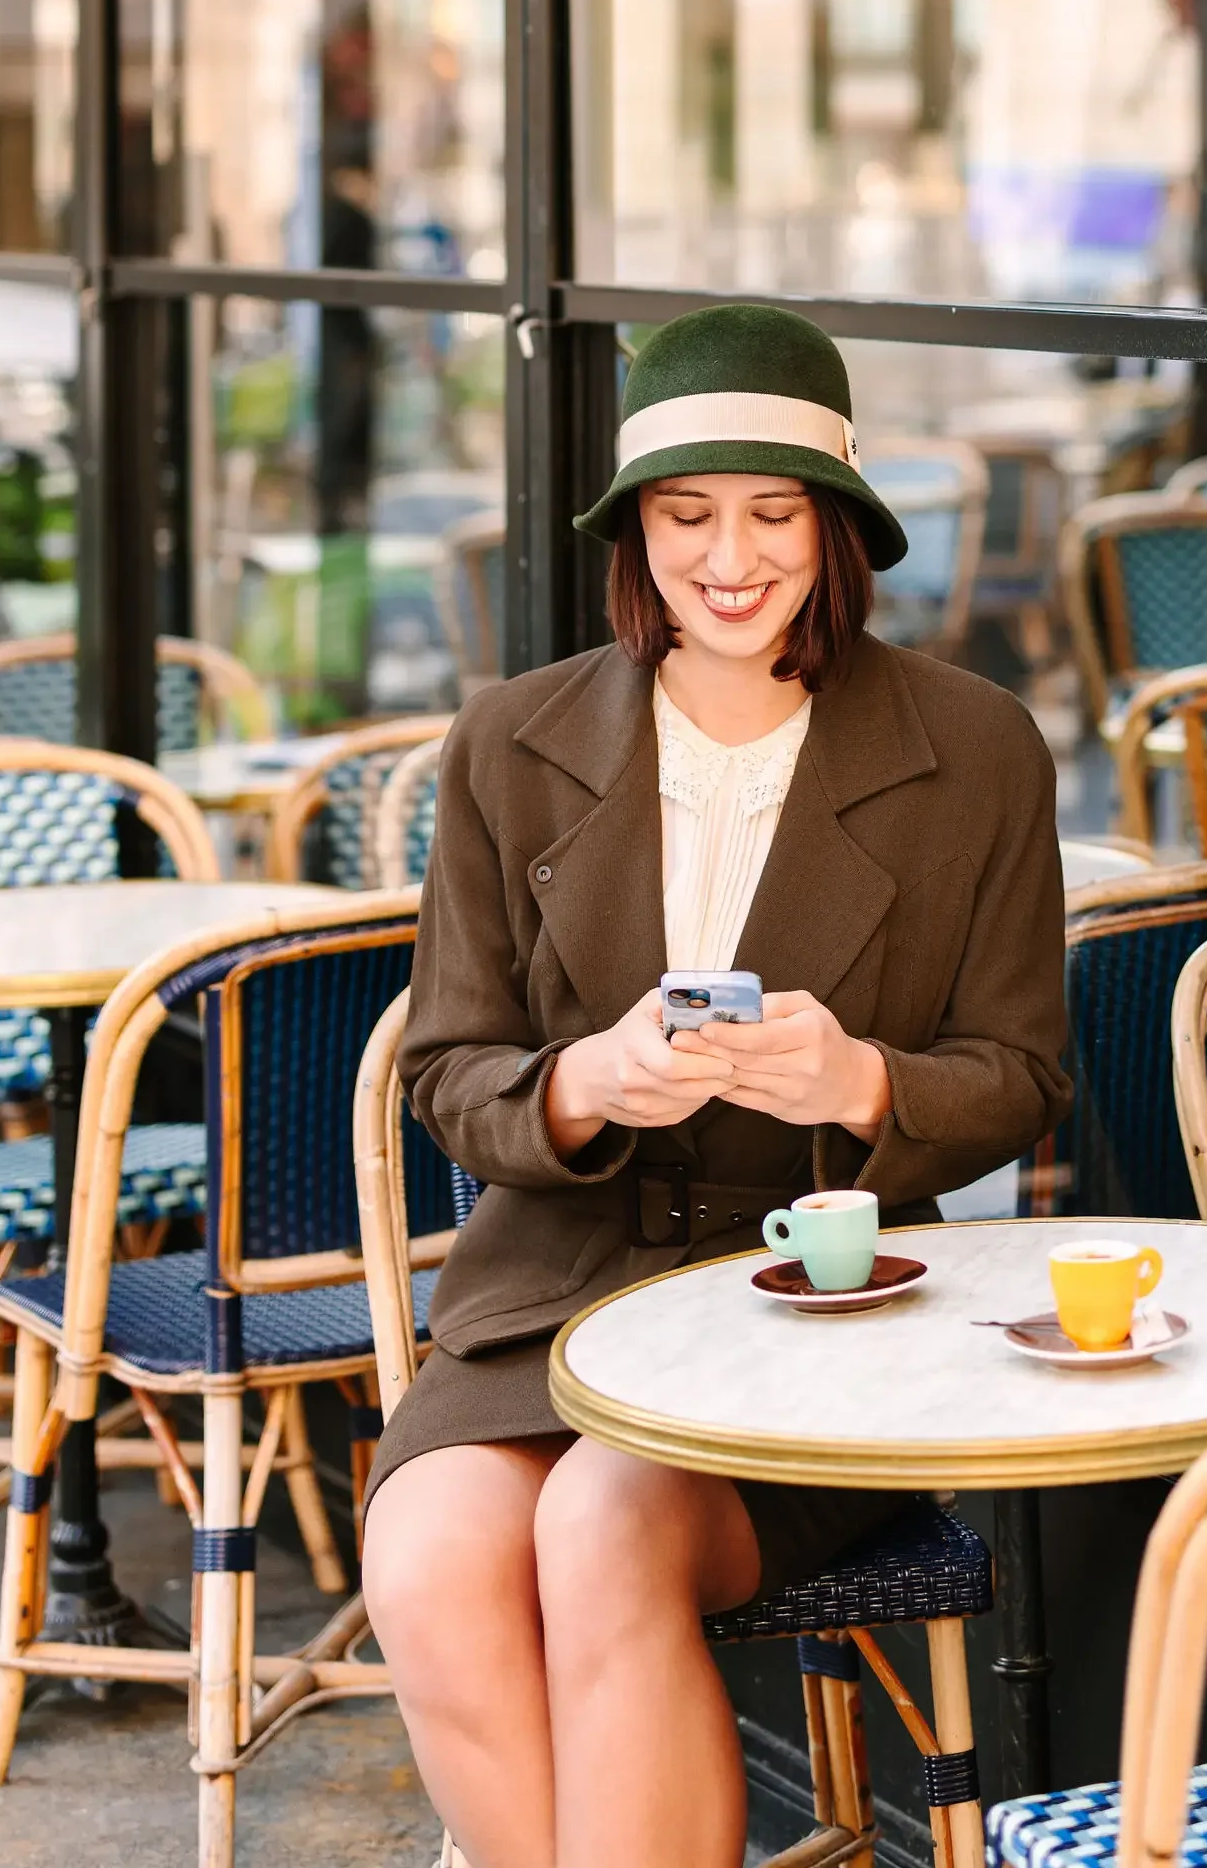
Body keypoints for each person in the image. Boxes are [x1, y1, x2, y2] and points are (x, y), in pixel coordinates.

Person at [361, 304, 1071, 1868]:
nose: (728, 558)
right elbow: (450, 1069)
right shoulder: (512, 740)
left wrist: (864, 1078)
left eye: (772, 513)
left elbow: (1022, 1080)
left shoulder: (977, 747)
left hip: (820, 1313)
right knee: (425, 1559)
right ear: (636, 538)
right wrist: (584, 1087)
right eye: (687, 517)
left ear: (835, 533)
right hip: (555, 1292)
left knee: (603, 1531)